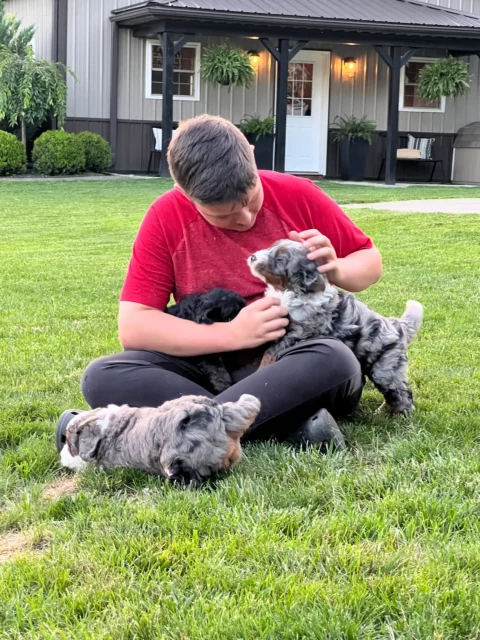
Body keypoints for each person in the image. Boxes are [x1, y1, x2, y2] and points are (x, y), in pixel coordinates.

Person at [57, 115, 382, 452]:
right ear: (183, 192)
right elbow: (135, 326)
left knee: (336, 359)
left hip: (292, 366)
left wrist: (338, 268)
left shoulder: (297, 194)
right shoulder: (166, 216)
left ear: (253, 157)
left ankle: (167, 428)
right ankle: (284, 423)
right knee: (103, 375)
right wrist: (231, 335)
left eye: (249, 199)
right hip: (209, 371)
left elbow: (369, 261)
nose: (245, 218)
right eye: (223, 214)